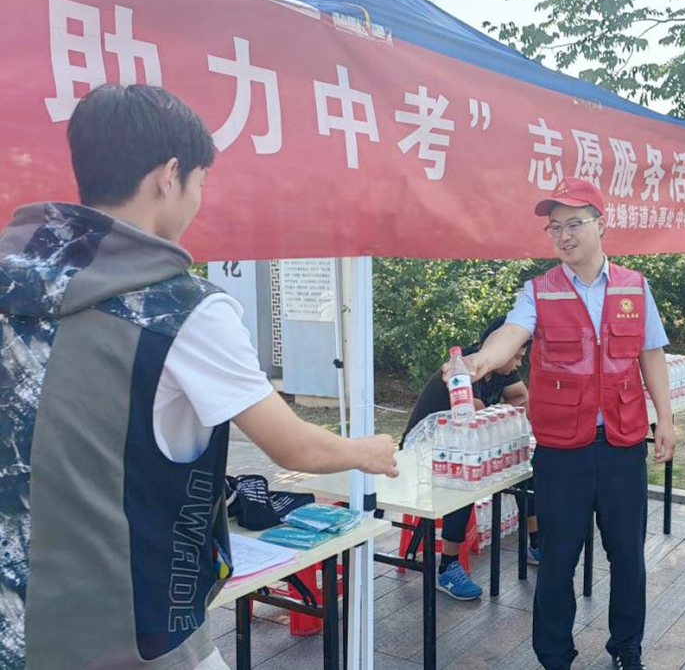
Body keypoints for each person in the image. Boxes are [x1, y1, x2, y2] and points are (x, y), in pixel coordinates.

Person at [0, 84, 398, 670]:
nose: (197, 202)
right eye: (200, 184)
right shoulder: (183, 309)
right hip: (133, 631)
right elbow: (296, 447)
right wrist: (368, 451)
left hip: (17, 624)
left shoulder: (12, 288)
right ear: (169, 177)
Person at [450, 177, 675, 670]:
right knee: (557, 558)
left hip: (622, 444)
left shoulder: (635, 287)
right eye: (555, 227)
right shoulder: (539, 291)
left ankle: (627, 648)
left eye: (574, 224)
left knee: (628, 556)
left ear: (601, 224)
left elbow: (650, 354)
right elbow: (512, 334)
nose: (563, 235)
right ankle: (554, 656)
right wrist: (481, 360)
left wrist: (666, 420)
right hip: (562, 449)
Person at [400, 316, 538, 601]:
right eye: (517, 357)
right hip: (422, 453)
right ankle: (447, 568)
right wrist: (498, 412)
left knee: (528, 469)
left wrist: (502, 415)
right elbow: (470, 410)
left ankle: (536, 545)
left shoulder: (501, 370)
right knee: (463, 485)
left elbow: (521, 398)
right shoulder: (462, 368)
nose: (518, 365)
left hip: (460, 449)